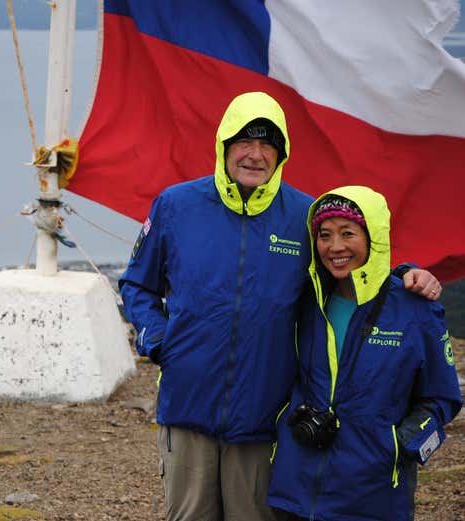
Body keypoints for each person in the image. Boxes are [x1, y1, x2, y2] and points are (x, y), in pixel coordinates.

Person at [119, 91, 443, 521]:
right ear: (223, 145)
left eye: (267, 144)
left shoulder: (304, 217)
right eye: (244, 142)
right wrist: (160, 341)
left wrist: (404, 275)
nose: (255, 154)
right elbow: (136, 284)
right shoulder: (176, 206)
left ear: (282, 152)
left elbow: (347, 264)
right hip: (187, 409)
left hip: (264, 422)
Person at [267, 186, 462, 521]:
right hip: (295, 490)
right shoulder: (305, 301)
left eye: (348, 233)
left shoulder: (416, 308)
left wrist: (400, 445)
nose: (335, 247)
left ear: (373, 237)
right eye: (324, 235)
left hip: (373, 496)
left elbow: (443, 398)